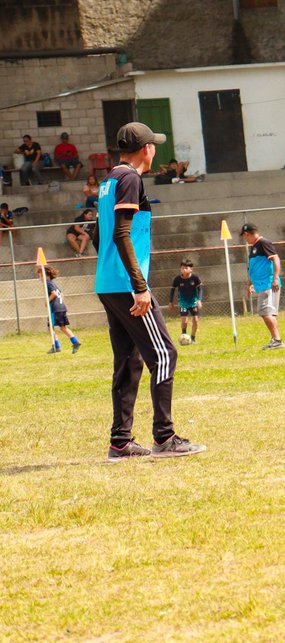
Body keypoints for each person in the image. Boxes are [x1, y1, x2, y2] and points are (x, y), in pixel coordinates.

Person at [96, 121, 205, 460]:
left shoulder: (109, 181)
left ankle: (121, 442)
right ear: (147, 149)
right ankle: (164, 436)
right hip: (127, 285)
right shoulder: (130, 178)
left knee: (129, 361)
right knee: (164, 354)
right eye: (154, 143)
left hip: (109, 283)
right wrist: (139, 286)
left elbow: (99, 233)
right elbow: (121, 234)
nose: (155, 147)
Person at [241, 222, 284, 350]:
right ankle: (275, 339)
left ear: (246, 234)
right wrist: (250, 284)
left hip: (269, 284)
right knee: (267, 312)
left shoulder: (264, 243)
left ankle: (277, 340)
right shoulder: (254, 247)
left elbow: (276, 259)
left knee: (265, 311)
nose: (245, 239)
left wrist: (275, 279)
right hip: (262, 285)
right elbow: (253, 268)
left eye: (244, 236)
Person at [43, 264, 81, 354]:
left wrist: (47, 301)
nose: (39, 277)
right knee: (62, 327)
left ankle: (57, 346)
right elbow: (61, 294)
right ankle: (75, 342)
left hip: (55, 309)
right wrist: (59, 303)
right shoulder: (54, 284)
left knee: (51, 327)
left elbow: (54, 294)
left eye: (40, 274)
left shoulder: (48, 283)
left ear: (46, 274)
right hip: (61, 308)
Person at [170, 258, 202, 344]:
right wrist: (170, 302)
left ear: (191, 269)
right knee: (184, 320)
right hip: (183, 303)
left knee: (195, 319)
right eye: (182, 268)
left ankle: (193, 338)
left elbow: (200, 289)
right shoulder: (177, 279)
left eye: (186, 268)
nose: (183, 270)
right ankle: (184, 334)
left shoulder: (195, 278)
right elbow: (172, 290)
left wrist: (199, 300)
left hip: (193, 302)